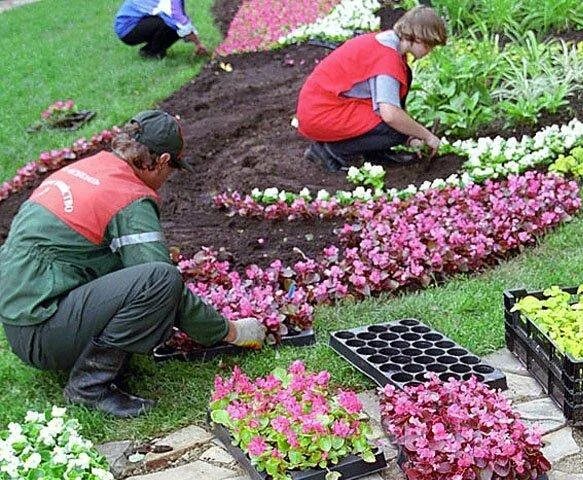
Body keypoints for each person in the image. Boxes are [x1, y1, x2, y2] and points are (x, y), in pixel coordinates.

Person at [0, 110, 265, 418]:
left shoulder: (88, 168)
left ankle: (88, 361)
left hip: (19, 320)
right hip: (42, 334)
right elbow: (162, 284)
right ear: (163, 160)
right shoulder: (128, 196)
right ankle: (89, 387)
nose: (167, 179)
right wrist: (229, 331)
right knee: (161, 279)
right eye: (172, 169)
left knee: (143, 273)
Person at [296, 5, 447, 173]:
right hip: (321, 113)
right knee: (393, 129)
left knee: (399, 123)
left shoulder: (387, 45)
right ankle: (328, 151)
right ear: (417, 38)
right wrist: (427, 136)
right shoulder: (387, 59)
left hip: (325, 105)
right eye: (429, 46)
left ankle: (375, 153)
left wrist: (411, 136)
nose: (430, 51)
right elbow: (390, 115)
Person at [114, 0, 209, 59]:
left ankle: (151, 49)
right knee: (171, 24)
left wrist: (192, 37)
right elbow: (180, 21)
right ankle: (152, 52)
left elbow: (180, 16)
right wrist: (198, 43)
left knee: (173, 24)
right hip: (128, 29)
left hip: (137, 22)